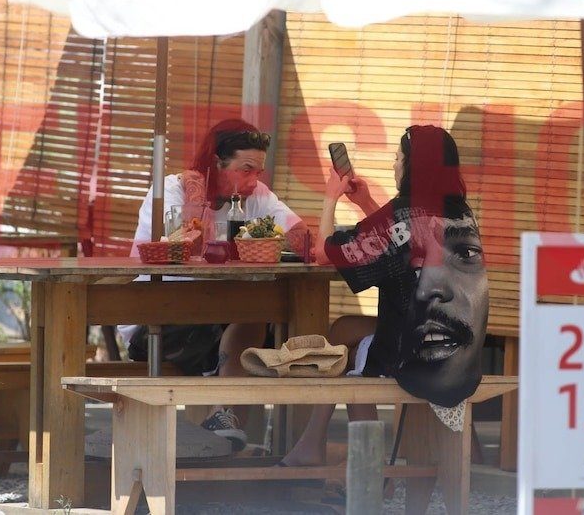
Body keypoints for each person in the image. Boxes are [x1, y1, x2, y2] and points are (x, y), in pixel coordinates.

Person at [281, 125, 488, 468]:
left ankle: (361, 464)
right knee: (345, 329)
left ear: (413, 167)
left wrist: (331, 196)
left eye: (398, 158)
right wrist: (365, 202)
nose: (394, 166)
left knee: (348, 356)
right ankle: (316, 446)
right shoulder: (462, 214)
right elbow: (402, 237)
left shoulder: (404, 212)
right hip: (463, 348)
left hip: (419, 353)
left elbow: (324, 253)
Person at [123, 118, 309, 451]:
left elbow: (305, 241)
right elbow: (190, 244)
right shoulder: (170, 191)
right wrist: (199, 188)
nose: (253, 180)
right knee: (247, 312)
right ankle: (223, 426)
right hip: (159, 323)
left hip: (223, 318)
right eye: (245, 169)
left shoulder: (255, 195)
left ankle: (226, 424)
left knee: (262, 315)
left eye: (258, 172)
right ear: (215, 162)